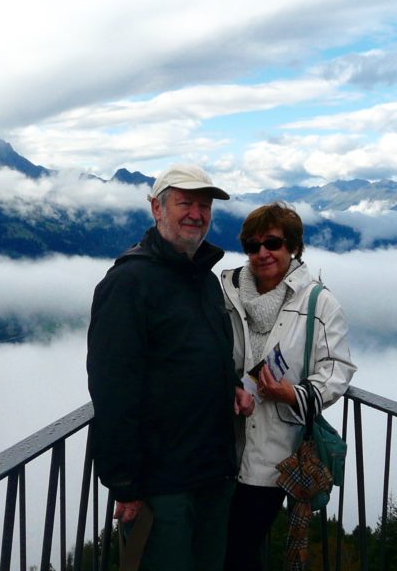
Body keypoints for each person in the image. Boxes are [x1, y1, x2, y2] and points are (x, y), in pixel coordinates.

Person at [87, 163, 255, 571]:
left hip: (212, 475)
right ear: (156, 208)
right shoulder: (129, 284)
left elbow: (205, 353)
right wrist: (124, 484)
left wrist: (229, 385)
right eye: (185, 203)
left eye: (204, 205)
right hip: (162, 486)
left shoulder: (204, 279)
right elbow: (112, 388)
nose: (197, 213)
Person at [222, 202, 357, 571]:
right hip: (222, 448)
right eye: (252, 245)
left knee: (237, 552)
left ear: (294, 247)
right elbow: (213, 353)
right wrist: (229, 385)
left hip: (273, 454)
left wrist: (294, 395)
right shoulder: (229, 294)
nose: (262, 253)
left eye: (273, 243)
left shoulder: (319, 303)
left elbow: (337, 368)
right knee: (220, 549)